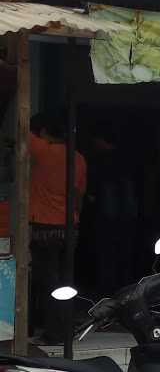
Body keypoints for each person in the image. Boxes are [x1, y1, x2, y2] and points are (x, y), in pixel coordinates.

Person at [29, 111, 87, 344]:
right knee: (65, 281)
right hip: (69, 227)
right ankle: (65, 329)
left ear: (44, 133)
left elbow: (19, 127)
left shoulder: (43, 150)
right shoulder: (79, 158)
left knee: (48, 283)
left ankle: (54, 333)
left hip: (44, 227)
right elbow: (79, 195)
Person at [87, 128, 137, 297]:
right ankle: (125, 293)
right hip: (127, 219)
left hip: (107, 219)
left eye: (96, 141)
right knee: (124, 257)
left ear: (102, 141)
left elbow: (93, 194)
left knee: (107, 257)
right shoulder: (127, 160)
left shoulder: (100, 161)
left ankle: (107, 293)